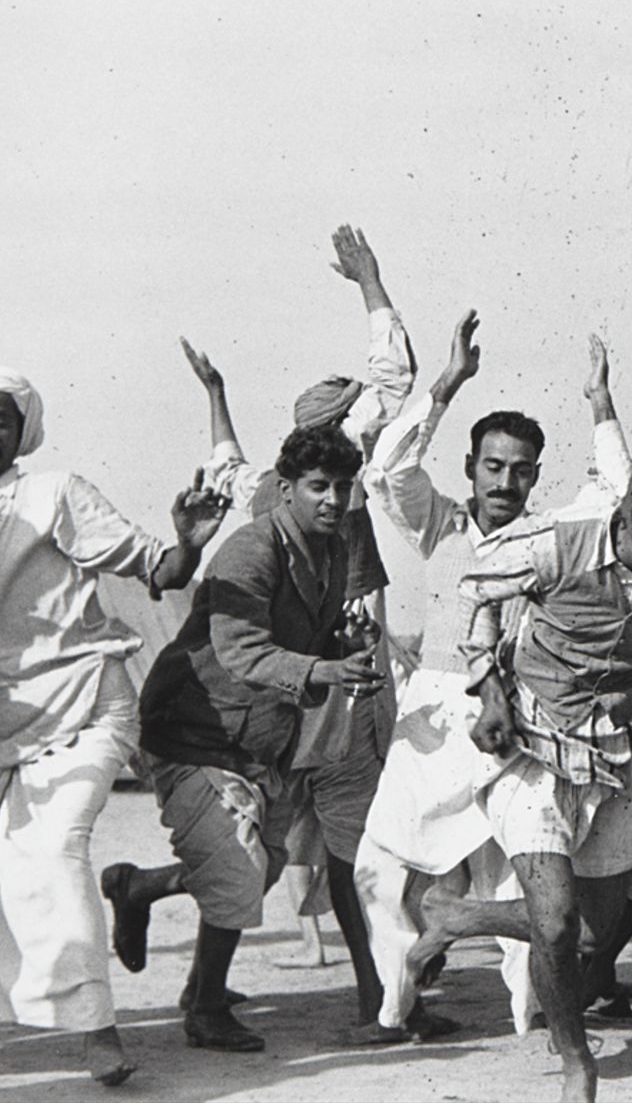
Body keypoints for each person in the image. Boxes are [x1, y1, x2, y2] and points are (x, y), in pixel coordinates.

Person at [404, 445, 632, 1103]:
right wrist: (488, 687)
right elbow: (476, 590)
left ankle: (456, 916)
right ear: (631, 530)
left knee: (590, 933)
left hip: (618, 751)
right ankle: (576, 1059)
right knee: (554, 923)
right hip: (532, 740)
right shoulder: (556, 543)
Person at [352, 320, 632, 1036]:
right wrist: (448, 383)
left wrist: (600, 404)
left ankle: (530, 1013)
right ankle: (396, 1003)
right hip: (433, 714)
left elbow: (616, 495)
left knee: (519, 870)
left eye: (521, 470)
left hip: (514, 718)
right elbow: (387, 468)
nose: (506, 482)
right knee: (386, 865)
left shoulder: (548, 536)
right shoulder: (439, 523)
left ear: (536, 475)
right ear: (471, 467)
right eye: (493, 466)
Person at [0, 364, 229, 1085]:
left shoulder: (54, 494)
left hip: (86, 704)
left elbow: (163, 570)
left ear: (23, 429)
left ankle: (97, 1030)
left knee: (54, 848)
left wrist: (189, 543)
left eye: (0, 419)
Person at [116, 425, 392, 1051]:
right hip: (196, 727)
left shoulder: (332, 549)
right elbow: (241, 650)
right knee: (238, 867)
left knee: (260, 865)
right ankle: (206, 1008)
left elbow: (306, 638)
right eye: (318, 486)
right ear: (286, 489)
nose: (333, 499)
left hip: (259, 736)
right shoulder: (250, 549)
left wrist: (343, 646)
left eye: (342, 487)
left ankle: (142, 892)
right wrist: (323, 670)